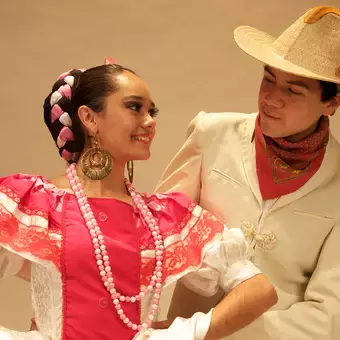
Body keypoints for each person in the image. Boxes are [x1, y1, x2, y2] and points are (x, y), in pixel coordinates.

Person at [0, 59, 277, 340]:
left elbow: (258, 291)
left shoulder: (165, 219)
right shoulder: (33, 203)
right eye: (134, 107)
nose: (150, 121)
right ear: (89, 118)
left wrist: (178, 335)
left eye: (152, 111)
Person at [156, 5, 340, 340]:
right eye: (268, 79)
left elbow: (328, 314)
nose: (270, 98)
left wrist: (211, 330)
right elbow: (155, 233)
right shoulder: (211, 134)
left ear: (331, 103)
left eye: (292, 90)